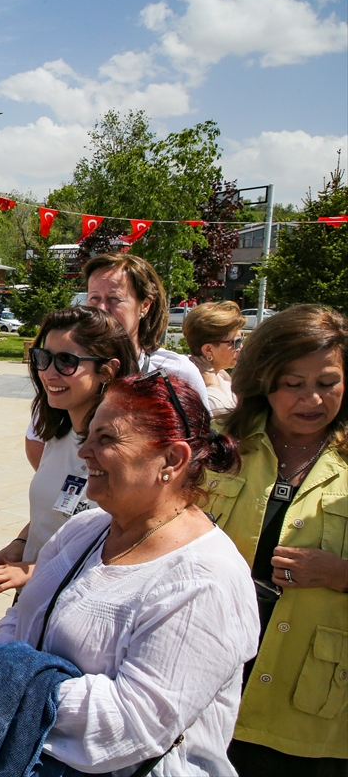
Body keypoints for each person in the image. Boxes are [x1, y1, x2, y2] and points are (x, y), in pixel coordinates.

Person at [0, 371, 256, 775]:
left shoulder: (205, 581)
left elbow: (132, 723)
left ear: (172, 460)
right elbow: (20, 619)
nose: (85, 450)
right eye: (89, 435)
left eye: (106, 439)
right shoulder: (83, 530)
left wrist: (9, 685)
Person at [204, 305, 348, 776]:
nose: (312, 399)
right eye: (293, 383)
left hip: (312, 710)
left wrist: (338, 574)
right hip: (206, 687)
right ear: (264, 380)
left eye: (327, 383)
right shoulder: (219, 446)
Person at [0, 306, 136, 598]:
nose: (48, 372)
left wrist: (33, 569)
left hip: (78, 605)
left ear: (107, 371)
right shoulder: (60, 434)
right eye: (43, 358)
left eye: (66, 362)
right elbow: (58, 513)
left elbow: (119, 546)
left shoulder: (125, 452)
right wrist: (21, 545)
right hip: (36, 599)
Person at [25, 252, 210, 470]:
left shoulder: (174, 371)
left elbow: (199, 452)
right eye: (94, 298)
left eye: (114, 299)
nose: (102, 309)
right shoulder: (63, 366)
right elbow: (39, 439)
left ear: (145, 305)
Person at [183, 300, 245, 418]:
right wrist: (212, 383)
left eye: (242, 338)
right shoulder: (189, 381)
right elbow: (221, 419)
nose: (241, 347)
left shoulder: (221, 375)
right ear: (208, 350)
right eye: (236, 342)